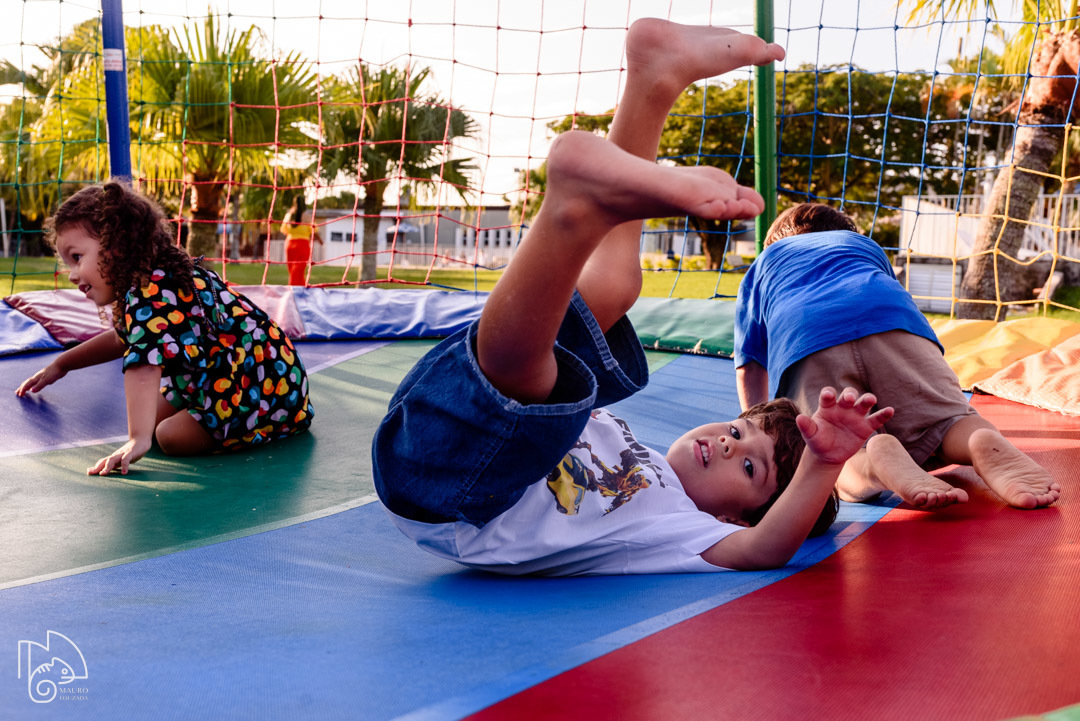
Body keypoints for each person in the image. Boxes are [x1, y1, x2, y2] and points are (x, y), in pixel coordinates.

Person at [371, 19, 893, 576]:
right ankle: (653, 81)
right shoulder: (642, 456)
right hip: (465, 411)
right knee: (615, 288)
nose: (727, 445)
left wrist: (823, 464)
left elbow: (763, 550)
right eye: (738, 432)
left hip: (454, 492)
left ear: (734, 519)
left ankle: (571, 212)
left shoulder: (684, 527)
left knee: (528, 375)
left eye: (748, 469)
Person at [735, 202, 1061, 511]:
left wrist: (760, 428)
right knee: (946, 420)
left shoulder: (766, 263)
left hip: (809, 336)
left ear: (773, 243)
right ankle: (978, 439)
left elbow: (749, 366)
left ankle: (873, 460)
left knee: (831, 453)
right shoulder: (862, 246)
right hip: (894, 322)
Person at [16, 182, 315, 475]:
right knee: (154, 416)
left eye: (77, 258)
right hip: (233, 373)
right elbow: (125, 338)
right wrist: (63, 364)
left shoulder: (153, 290)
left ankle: (270, 420)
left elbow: (144, 364)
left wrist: (137, 439)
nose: (71, 275)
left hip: (264, 386)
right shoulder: (153, 280)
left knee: (169, 436)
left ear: (116, 246)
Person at [281, 195, 323, 286]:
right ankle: (293, 289)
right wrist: (320, 240)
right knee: (297, 271)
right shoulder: (307, 217)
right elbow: (314, 230)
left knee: (294, 271)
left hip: (290, 245)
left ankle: (299, 287)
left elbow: (284, 230)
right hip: (302, 245)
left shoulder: (288, 216)